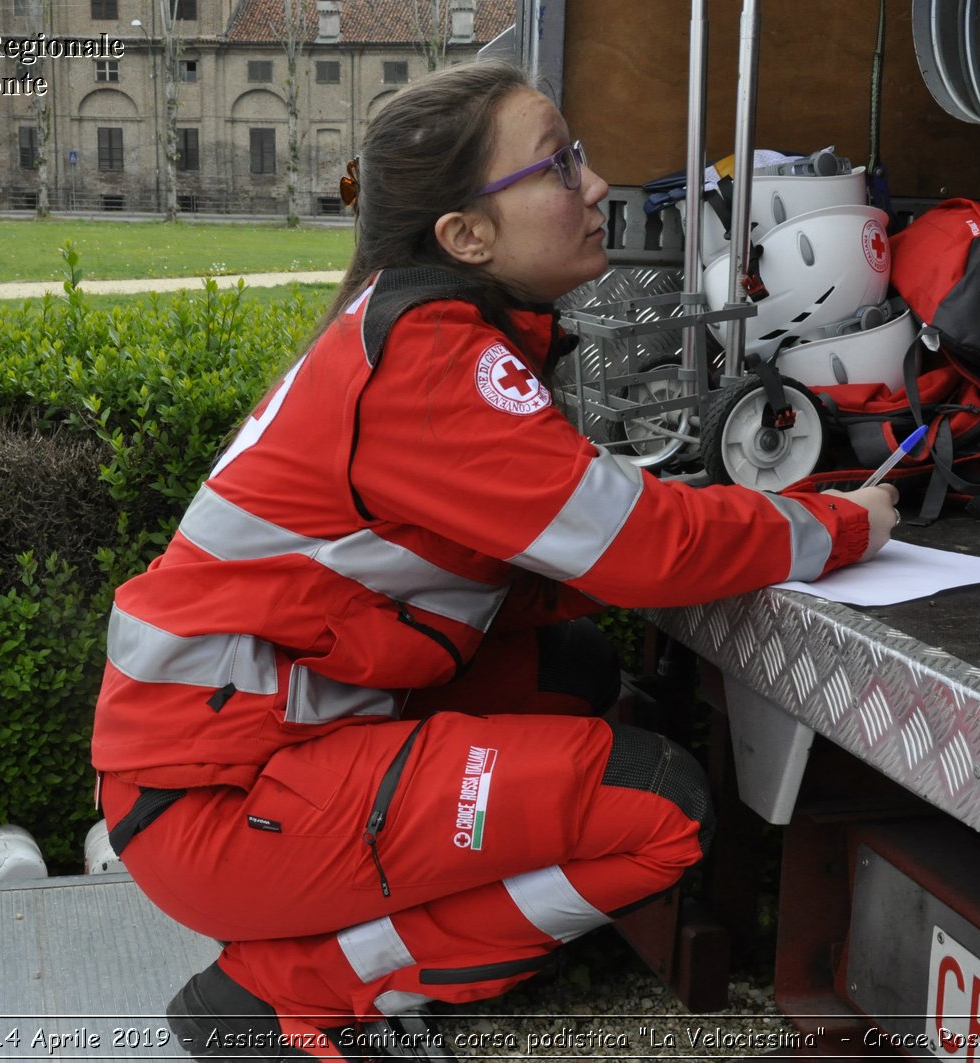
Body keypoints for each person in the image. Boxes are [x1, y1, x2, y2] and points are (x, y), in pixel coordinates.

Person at [91, 60, 899, 1061]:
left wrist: (707, 519)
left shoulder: (414, 330)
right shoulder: (432, 360)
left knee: (574, 678)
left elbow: (565, 542)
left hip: (243, 761)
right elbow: (636, 545)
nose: (596, 185)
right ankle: (282, 996)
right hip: (223, 804)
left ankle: (362, 941)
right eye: (558, 166)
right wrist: (841, 523)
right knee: (659, 808)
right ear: (466, 236)